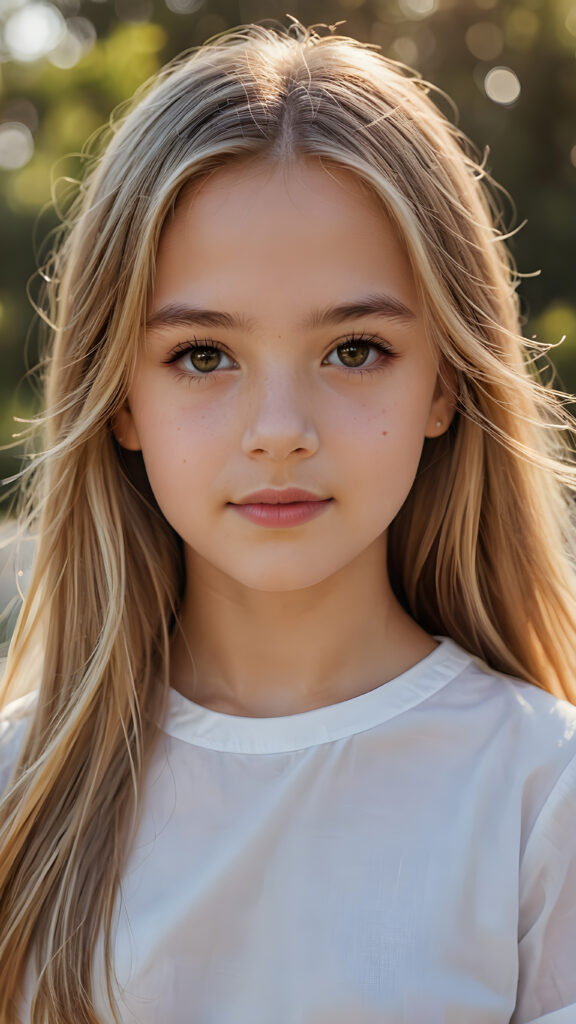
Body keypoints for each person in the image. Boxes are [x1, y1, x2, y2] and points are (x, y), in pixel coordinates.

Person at [1, 17, 576, 1024]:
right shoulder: (19, 796)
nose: (279, 431)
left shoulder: (544, 795)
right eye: (203, 355)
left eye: (354, 349)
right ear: (121, 396)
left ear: (445, 381)